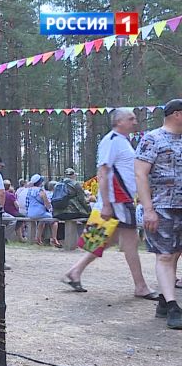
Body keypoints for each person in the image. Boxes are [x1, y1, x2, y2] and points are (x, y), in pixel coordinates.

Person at [62, 108, 157, 299]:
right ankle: (140, 286)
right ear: (119, 121)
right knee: (130, 242)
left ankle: (75, 271)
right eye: (131, 118)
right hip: (117, 200)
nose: (135, 122)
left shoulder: (122, 141)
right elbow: (103, 172)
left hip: (120, 200)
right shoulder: (111, 141)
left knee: (109, 239)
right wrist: (106, 203)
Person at [134, 99, 182, 329]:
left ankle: (164, 300)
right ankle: (173, 307)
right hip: (162, 206)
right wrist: (148, 209)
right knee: (164, 255)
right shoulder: (152, 139)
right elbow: (140, 174)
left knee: (175, 254)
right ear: (177, 114)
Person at [25, 174, 60, 247]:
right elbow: (46, 203)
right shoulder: (41, 191)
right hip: (40, 212)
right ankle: (54, 238)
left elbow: (27, 203)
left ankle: (38, 238)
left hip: (30, 213)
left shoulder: (29, 190)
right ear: (40, 182)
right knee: (54, 220)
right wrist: (50, 209)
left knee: (42, 221)